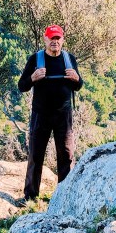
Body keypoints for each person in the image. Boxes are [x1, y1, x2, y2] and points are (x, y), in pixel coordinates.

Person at [18, 24, 83, 200]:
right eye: (51, 38)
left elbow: (78, 86)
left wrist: (77, 79)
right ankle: (30, 197)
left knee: (66, 156)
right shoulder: (35, 59)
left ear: (62, 39)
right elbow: (22, 86)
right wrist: (33, 77)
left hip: (63, 116)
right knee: (35, 156)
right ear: (45, 39)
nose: (55, 41)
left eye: (57, 38)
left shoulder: (69, 59)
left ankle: (64, 197)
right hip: (41, 115)